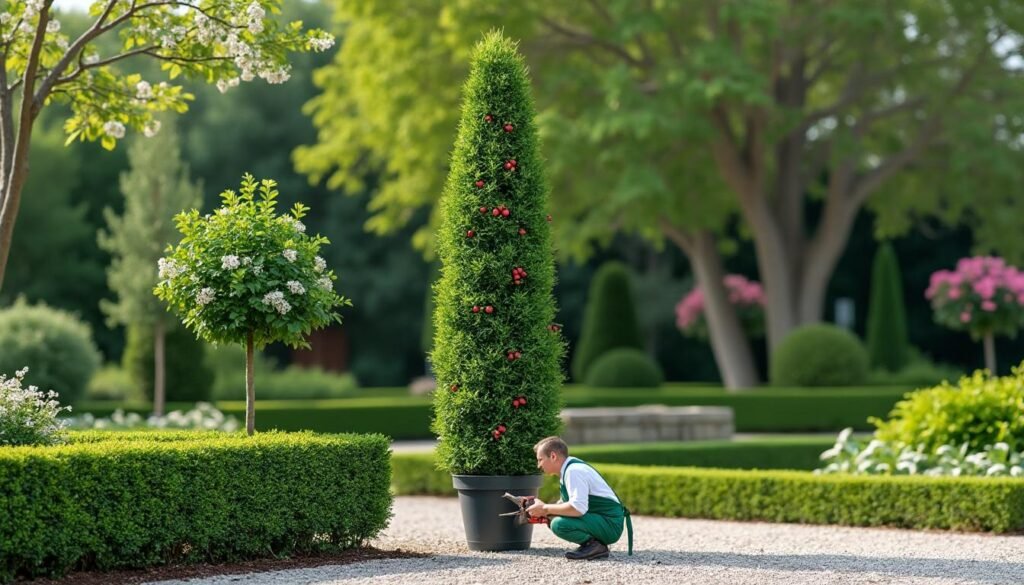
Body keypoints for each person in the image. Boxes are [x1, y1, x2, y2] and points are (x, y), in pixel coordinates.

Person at [526, 436, 633, 560]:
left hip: (610, 525)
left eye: (540, 460)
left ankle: (594, 546)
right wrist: (544, 511)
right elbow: (568, 504)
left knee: (558, 524)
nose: (539, 465)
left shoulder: (574, 472)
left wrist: (545, 508)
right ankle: (593, 545)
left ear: (553, 456)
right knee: (552, 517)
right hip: (603, 520)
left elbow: (578, 508)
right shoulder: (569, 468)